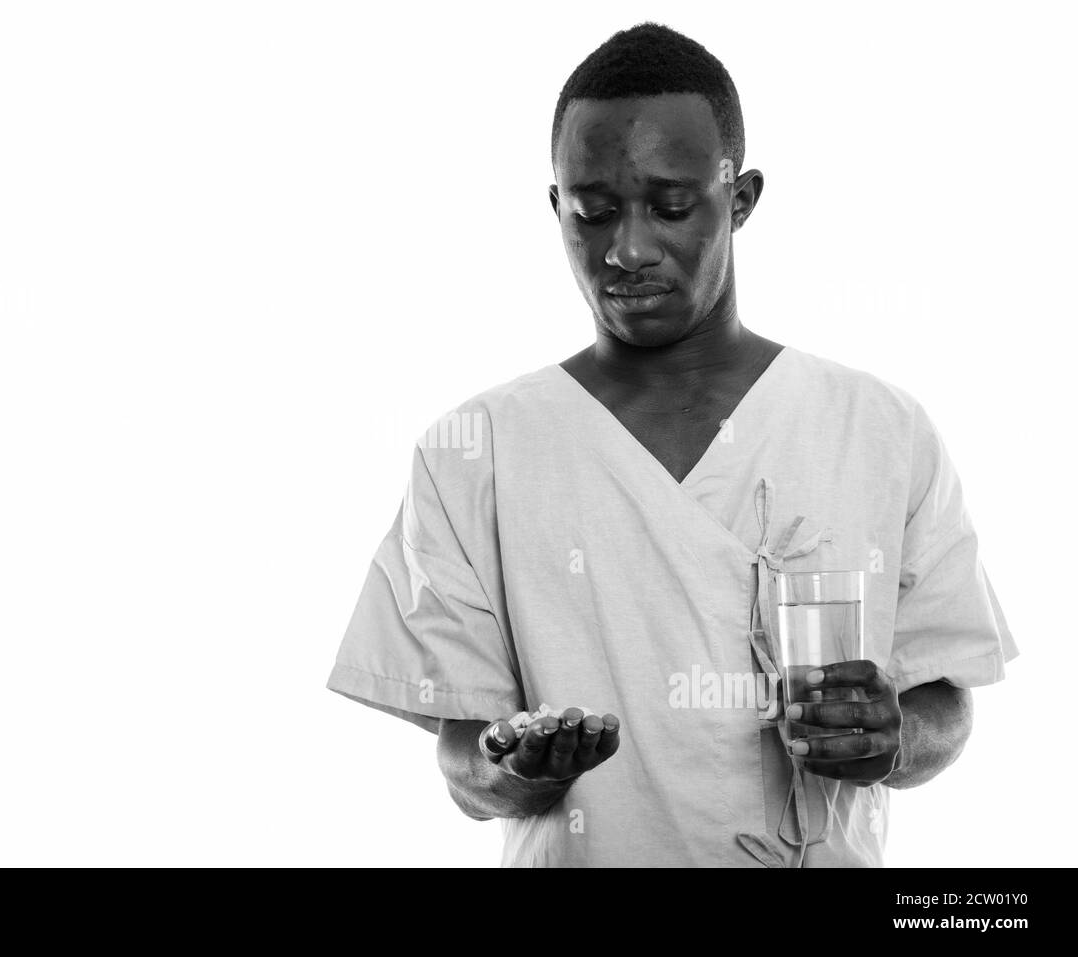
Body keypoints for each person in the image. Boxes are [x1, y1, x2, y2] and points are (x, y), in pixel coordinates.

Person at [325, 22, 1017, 867]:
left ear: (743, 196)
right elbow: (464, 756)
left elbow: (946, 700)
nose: (628, 248)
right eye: (594, 210)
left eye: (671, 206)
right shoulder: (478, 450)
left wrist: (893, 736)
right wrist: (518, 768)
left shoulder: (878, 429)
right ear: (556, 208)